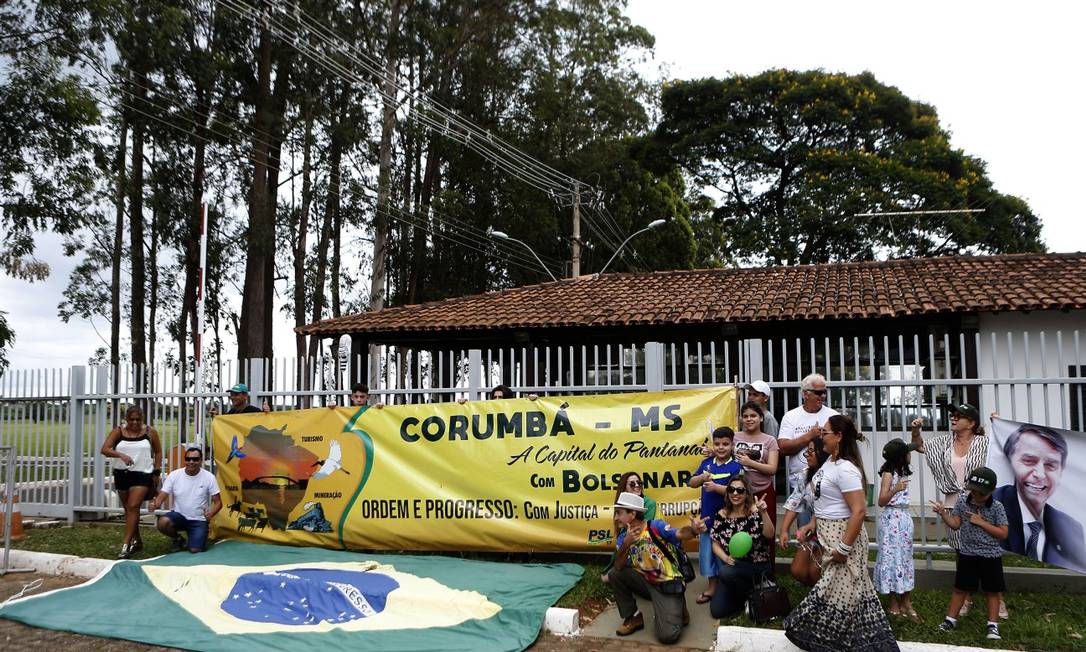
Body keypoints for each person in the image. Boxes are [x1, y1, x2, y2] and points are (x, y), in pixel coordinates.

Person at [784, 414, 898, 652]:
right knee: (851, 596)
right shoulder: (830, 463)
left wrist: (844, 549)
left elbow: (858, 511)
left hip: (843, 539)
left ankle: (833, 643)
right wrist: (812, 523)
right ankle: (867, 644)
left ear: (838, 437)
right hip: (827, 535)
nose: (821, 436)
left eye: (825, 432)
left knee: (834, 596)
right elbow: (824, 500)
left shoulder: (846, 469)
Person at [910, 403, 1005, 618]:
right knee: (962, 553)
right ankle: (966, 598)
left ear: (971, 423)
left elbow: (1004, 448)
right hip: (955, 504)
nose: (953, 418)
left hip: (980, 504)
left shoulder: (984, 443)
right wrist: (916, 431)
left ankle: (997, 599)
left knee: (988, 551)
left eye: (959, 416)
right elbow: (919, 446)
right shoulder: (943, 443)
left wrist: (998, 424)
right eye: (952, 415)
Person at [608, 491, 705, 643]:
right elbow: (619, 567)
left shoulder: (655, 526)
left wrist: (693, 531)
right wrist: (627, 543)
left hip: (667, 583)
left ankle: (678, 607)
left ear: (632, 514)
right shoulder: (623, 536)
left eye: (618, 513)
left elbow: (679, 533)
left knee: (667, 636)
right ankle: (633, 617)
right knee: (614, 574)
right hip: (645, 581)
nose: (616, 518)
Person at [993, 424, 1086, 572]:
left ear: (1061, 472)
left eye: (1051, 465)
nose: (1040, 474)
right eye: (1029, 461)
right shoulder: (991, 506)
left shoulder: (1071, 529)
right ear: (1009, 463)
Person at [930, 467, 1009, 641]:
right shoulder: (962, 502)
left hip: (991, 556)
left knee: (992, 591)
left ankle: (992, 626)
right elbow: (956, 524)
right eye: (973, 490)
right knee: (960, 589)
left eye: (981, 493)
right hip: (967, 554)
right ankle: (950, 620)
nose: (976, 495)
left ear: (992, 491)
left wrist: (981, 523)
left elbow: (1003, 533)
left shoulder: (997, 507)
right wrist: (943, 514)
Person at [688, 426, 744, 604]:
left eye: (725, 444)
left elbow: (739, 492)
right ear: (713, 444)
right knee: (707, 555)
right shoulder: (706, 464)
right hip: (707, 519)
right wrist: (702, 478)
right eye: (717, 444)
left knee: (726, 555)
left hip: (729, 521)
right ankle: (712, 587)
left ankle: (727, 586)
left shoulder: (736, 466)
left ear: (732, 445)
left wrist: (716, 488)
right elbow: (691, 482)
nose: (721, 447)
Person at [708, 475, 775, 618]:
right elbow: (715, 543)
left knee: (725, 573)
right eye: (731, 489)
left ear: (747, 493)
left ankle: (754, 590)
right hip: (733, 565)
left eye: (740, 490)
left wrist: (764, 512)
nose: (735, 493)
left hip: (757, 565)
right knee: (717, 611)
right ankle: (746, 598)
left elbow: (770, 534)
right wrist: (725, 557)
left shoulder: (754, 512)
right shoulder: (722, 514)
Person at [100, 406, 163, 559]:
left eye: (138, 420)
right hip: (122, 474)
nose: (135, 422)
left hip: (142, 474)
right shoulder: (118, 431)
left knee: (134, 506)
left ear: (142, 419)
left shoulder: (150, 432)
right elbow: (105, 449)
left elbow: (158, 451)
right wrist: (120, 454)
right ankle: (138, 541)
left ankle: (125, 545)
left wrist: (156, 471)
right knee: (128, 510)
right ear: (126, 419)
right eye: (131, 419)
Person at [778, 373, 838, 527]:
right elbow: (782, 448)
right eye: (818, 392)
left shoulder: (833, 416)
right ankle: (804, 549)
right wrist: (809, 436)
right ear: (805, 393)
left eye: (824, 392)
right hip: (801, 481)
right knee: (804, 532)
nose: (823, 396)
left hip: (829, 483)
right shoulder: (791, 416)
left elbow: (841, 446)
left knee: (826, 529)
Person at [875, 438, 920, 622]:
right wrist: (895, 489)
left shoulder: (901, 472)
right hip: (891, 520)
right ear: (901, 457)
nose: (910, 454)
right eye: (907, 452)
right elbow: (881, 500)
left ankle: (906, 600)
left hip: (903, 519)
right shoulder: (889, 474)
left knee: (904, 558)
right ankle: (893, 601)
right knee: (891, 559)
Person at [779, 437, 830, 586]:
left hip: (831, 529)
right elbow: (795, 501)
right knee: (797, 571)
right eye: (807, 451)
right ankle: (819, 593)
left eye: (811, 451)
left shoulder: (832, 474)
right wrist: (784, 530)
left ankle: (826, 598)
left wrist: (812, 523)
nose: (807, 455)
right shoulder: (805, 473)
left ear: (822, 453)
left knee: (816, 571)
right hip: (810, 529)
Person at [733, 401, 779, 569]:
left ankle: (769, 574)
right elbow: (723, 452)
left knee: (767, 533)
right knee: (741, 532)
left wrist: (750, 462)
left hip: (764, 492)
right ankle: (743, 572)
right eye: (745, 416)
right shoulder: (735, 437)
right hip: (740, 494)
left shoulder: (770, 441)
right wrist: (712, 451)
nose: (749, 419)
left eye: (753, 416)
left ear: (761, 418)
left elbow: (772, 468)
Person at [151, 446, 222, 553]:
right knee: (162, 522)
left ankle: (196, 537)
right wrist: (155, 504)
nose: (191, 462)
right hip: (179, 517)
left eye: (195, 459)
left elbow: (218, 503)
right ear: (184, 461)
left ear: (201, 461)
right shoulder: (174, 475)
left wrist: (211, 513)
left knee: (195, 550)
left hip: (199, 520)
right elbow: (162, 496)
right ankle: (178, 539)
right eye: (188, 459)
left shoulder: (209, 477)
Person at [602, 472, 657, 582]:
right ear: (624, 488)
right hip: (626, 543)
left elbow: (643, 532)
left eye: (639, 483)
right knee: (609, 575)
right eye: (632, 484)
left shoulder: (649, 503)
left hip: (645, 545)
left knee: (613, 575)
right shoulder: (621, 503)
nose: (637, 486)